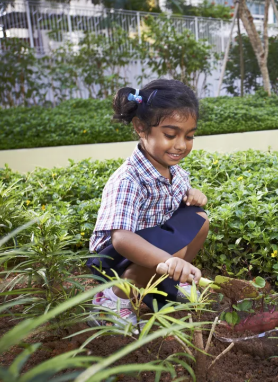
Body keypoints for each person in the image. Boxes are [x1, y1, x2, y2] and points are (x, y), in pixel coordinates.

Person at [86, 79, 209, 329]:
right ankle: (113, 299)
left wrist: (193, 195)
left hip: (155, 248)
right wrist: (167, 259)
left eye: (189, 136)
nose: (181, 145)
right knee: (172, 246)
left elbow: (177, 211)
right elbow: (120, 238)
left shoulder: (176, 172)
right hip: (114, 259)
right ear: (141, 127)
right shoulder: (127, 179)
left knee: (199, 219)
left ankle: (170, 283)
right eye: (170, 135)